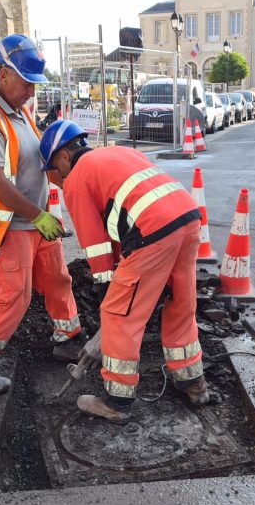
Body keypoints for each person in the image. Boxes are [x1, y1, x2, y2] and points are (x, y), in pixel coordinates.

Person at [39, 119, 210, 423]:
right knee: (180, 303)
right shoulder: (118, 153)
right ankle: (194, 384)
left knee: (119, 315)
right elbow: (121, 226)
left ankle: (117, 402)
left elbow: (96, 245)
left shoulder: (77, 180)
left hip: (153, 231)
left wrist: (109, 288)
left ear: (64, 156)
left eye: (53, 170)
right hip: (187, 218)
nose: (55, 179)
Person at [0, 35, 83, 395]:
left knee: (57, 279)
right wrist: (37, 216)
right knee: (14, 296)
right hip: (8, 225)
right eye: (27, 83)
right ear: (5, 73)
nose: (31, 92)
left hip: (35, 220)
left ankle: (67, 339)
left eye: (34, 85)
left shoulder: (19, 110)